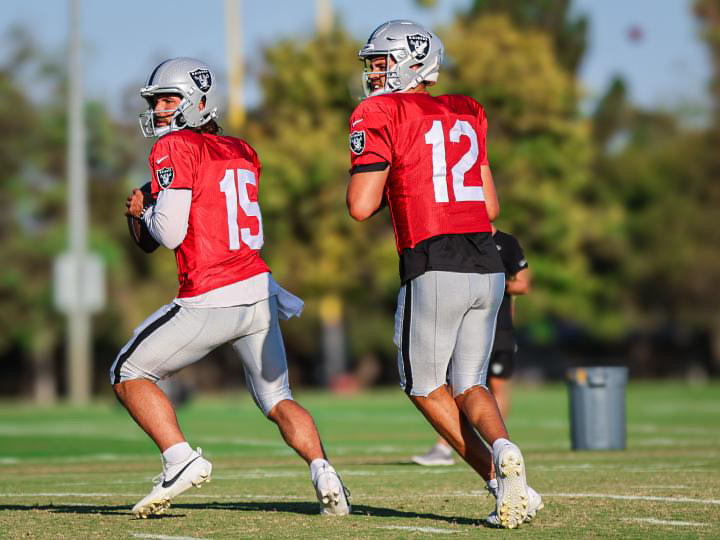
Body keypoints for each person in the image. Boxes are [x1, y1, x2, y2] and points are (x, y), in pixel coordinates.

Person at [112, 57, 350, 519]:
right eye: (157, 101)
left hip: (210, 293)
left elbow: (171, 232)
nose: (160, 110)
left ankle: (179, 458)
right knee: (279, 399)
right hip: (258, 291)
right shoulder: (240, 150)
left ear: (197, 102)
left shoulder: (174, 147)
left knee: (127, 371)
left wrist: (142, 211)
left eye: (169, 99)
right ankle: (324, 471)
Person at [345, 21, 541, 528]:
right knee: (470, 382)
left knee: (423, 385)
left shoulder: (379, 112)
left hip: (433, 259)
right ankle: (505, 449)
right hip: (486, 259)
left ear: (409, 63)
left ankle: (497, 479)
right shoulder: (468, 111)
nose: (373, 71)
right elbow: (491, 204)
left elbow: (360, 206)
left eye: (382, 61)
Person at [412, 226, 530, 466]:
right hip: (466, 324)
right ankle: (445, 447)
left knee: (494, 386)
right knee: (458, 385)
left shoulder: (505, 242)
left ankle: (499, 445)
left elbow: (523, 284)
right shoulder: (461, 240)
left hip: (499, 327)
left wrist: (491, 279)